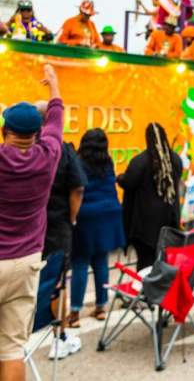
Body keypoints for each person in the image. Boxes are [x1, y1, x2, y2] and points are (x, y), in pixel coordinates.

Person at [0, 64, 62, 381]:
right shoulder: (48, 156)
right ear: (36, 135)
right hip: (26, 263)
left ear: (4, 132)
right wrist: (53, 85)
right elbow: (56, 118)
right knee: (12, 349)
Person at [67, 129, 125, 327]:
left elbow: (76, 188)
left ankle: (74, 313)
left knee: (80, 263)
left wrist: (72, 217)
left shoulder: (78, 161)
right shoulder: (107, 162)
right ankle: (101, 307)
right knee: (101, 261)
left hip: (86, 215)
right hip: (109, 213)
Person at [40, 139, 87, 358]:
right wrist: (72, 218)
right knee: (57, 280)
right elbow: (77, 187)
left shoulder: (11, 150)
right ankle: (59, 338)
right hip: (56, 226)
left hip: (20, 228)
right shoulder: (62, 149)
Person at [118, 123, 182, 271]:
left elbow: (129, 182)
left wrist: (119, 178)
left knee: (145, 264)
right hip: (169, 221)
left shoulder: (140, 161)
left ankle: (146, 292)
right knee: (164, 261)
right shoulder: (175, 160)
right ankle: (161, 291)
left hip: (145, 226)